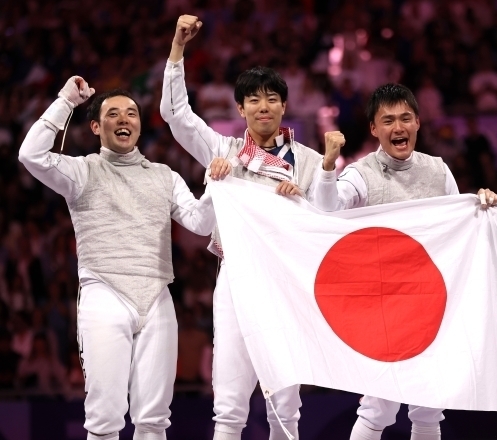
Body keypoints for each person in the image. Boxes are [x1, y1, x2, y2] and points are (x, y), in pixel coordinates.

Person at [18, 77, 215, 440]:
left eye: (131, 113)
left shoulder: (164, 176)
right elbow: (30, 155)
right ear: (96, 126)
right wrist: (65, 101)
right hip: (104, 294)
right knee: (105, 419)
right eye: (112, 114)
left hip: (157, 298)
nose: (124, 119)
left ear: (140, 124)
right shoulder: (81, 171)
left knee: (154, 420)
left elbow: (201, 224)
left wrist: (217, 187)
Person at [160, 15, 324, 440]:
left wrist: (302, 201)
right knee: (229, 404)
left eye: (271, 98)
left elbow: (328, 217)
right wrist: (178, 48)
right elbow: (176, 115)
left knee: (286, 407)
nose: (263, 106)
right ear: (240, 109)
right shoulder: (225, 152)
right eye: (253, 100)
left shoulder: (308, 160)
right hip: (236, 278)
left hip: (287, 281)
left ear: (284, 106)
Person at [310, 83, 497, 440]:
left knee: (429, 407)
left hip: (428, 303)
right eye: (388, 121)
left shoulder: (438, 170)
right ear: (374, 128)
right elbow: (325, 211)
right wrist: (327, 166)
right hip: (382, 306)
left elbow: (459, 226)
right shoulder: (359, 174)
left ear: (418, 123)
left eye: (405, 119)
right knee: (378, 407)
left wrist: (483, 202)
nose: (398, 128)